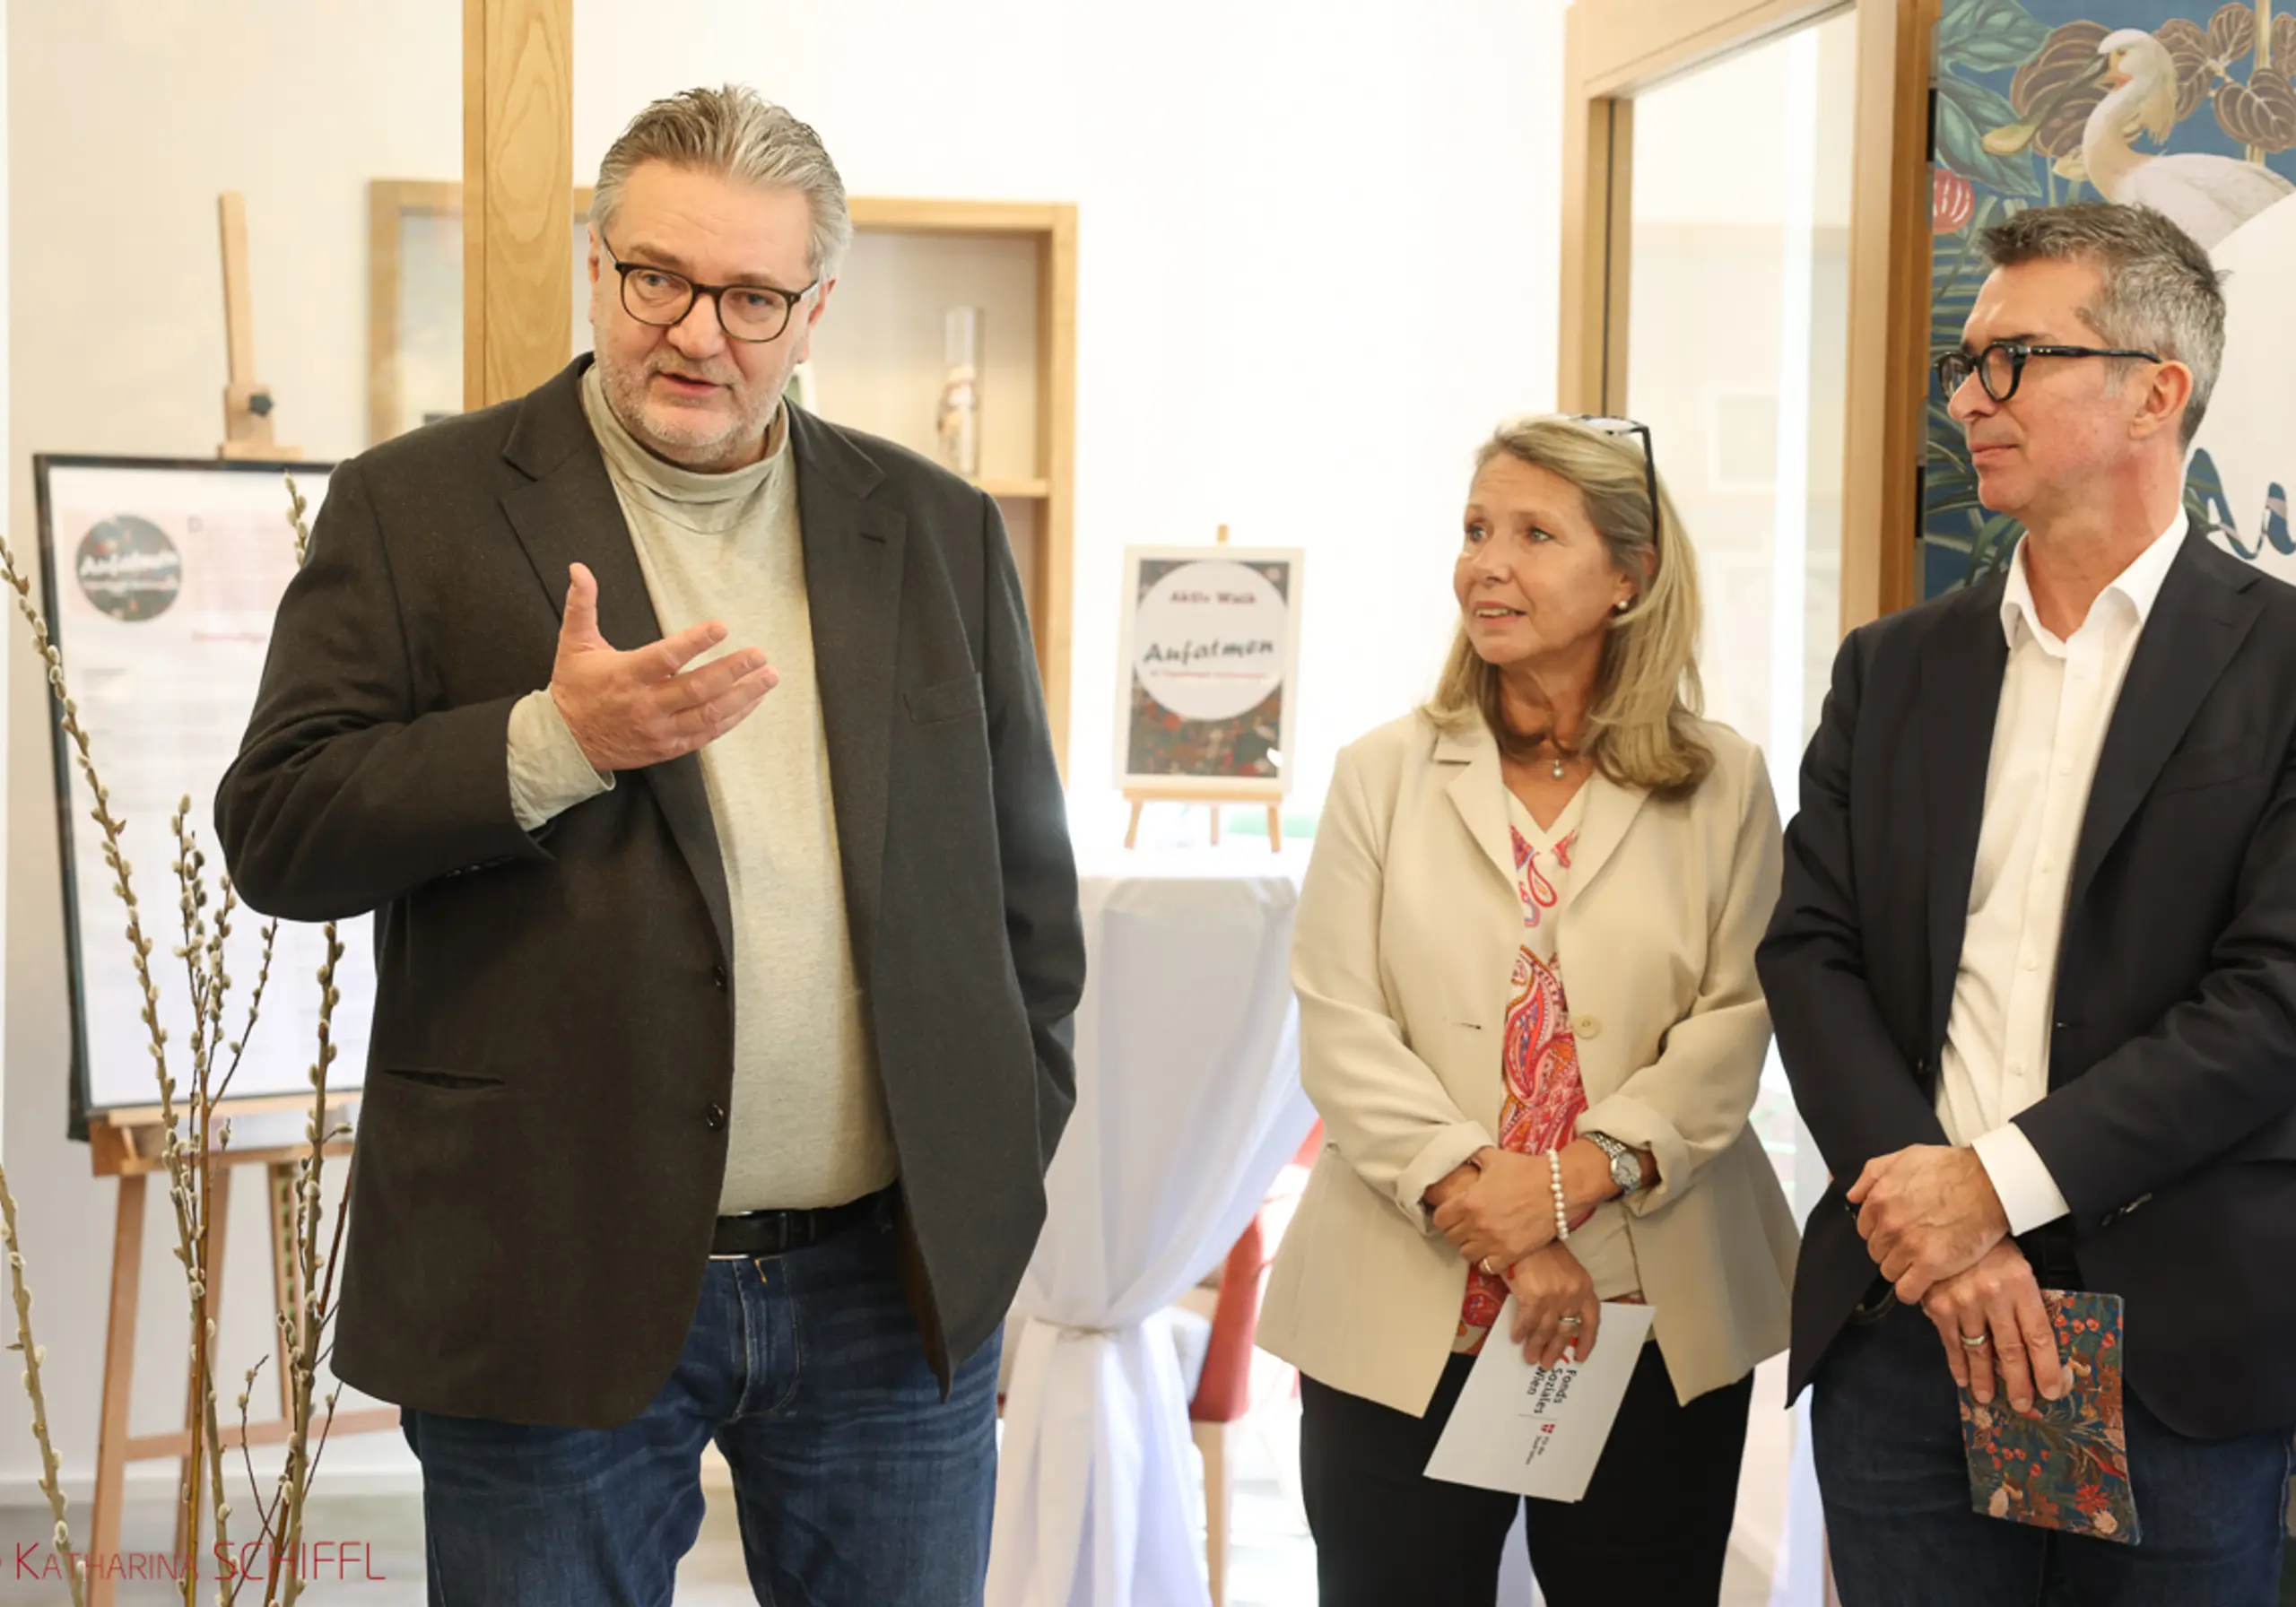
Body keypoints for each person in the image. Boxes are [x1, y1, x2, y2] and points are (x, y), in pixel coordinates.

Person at [214, 85, 1083, 1606]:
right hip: (544, 1267)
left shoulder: (935, 527)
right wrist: (552, 744)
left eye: (751, 296)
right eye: (658, 279)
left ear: (814, 311)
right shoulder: (416, 508)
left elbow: (1023, 902)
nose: (698, 333)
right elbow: (279, 830)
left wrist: (989, 1164)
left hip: (885, 1287)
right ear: (595, 266)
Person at [1759, 201, 2296, 1603]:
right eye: (1965, 362)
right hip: (1906, 1324)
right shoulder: (1893, 667)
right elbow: (1809, 953)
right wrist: (1937, 1231)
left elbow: (2274, 1002)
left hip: (2174, 1337)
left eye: (2013, 360)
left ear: (2155, 393)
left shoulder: (2283, 666)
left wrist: (1992, 1189)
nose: (1967, 399)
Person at [1257, 415, 1799, 1605]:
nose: (1486, 565)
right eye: (1475, 531)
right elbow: (1341, 1025)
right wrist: (1502, 1220)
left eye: (1535, 535)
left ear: (1629, 575)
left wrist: (1568, 1186)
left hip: (1652, 1309)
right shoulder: (1380, 774)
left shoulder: (1723, 783)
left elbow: (1737, 1022)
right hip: (1402, 1301)